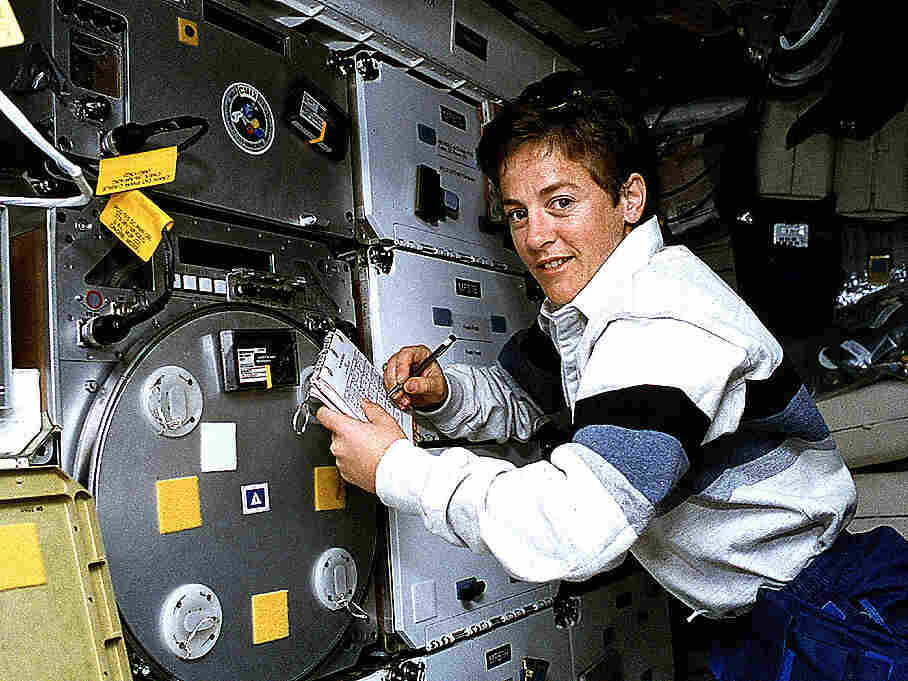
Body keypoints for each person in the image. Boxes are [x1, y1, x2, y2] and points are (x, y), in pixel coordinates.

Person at [317, 71, 908, 680]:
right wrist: (445, 394)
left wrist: (395, 468)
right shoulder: (595, 305)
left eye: (560, 202)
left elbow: (575, 526)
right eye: (518, 213)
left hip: (827, 618)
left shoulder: (660, 324)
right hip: (765, 611)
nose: (536, 236)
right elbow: (525, 395)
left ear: (629, 198)